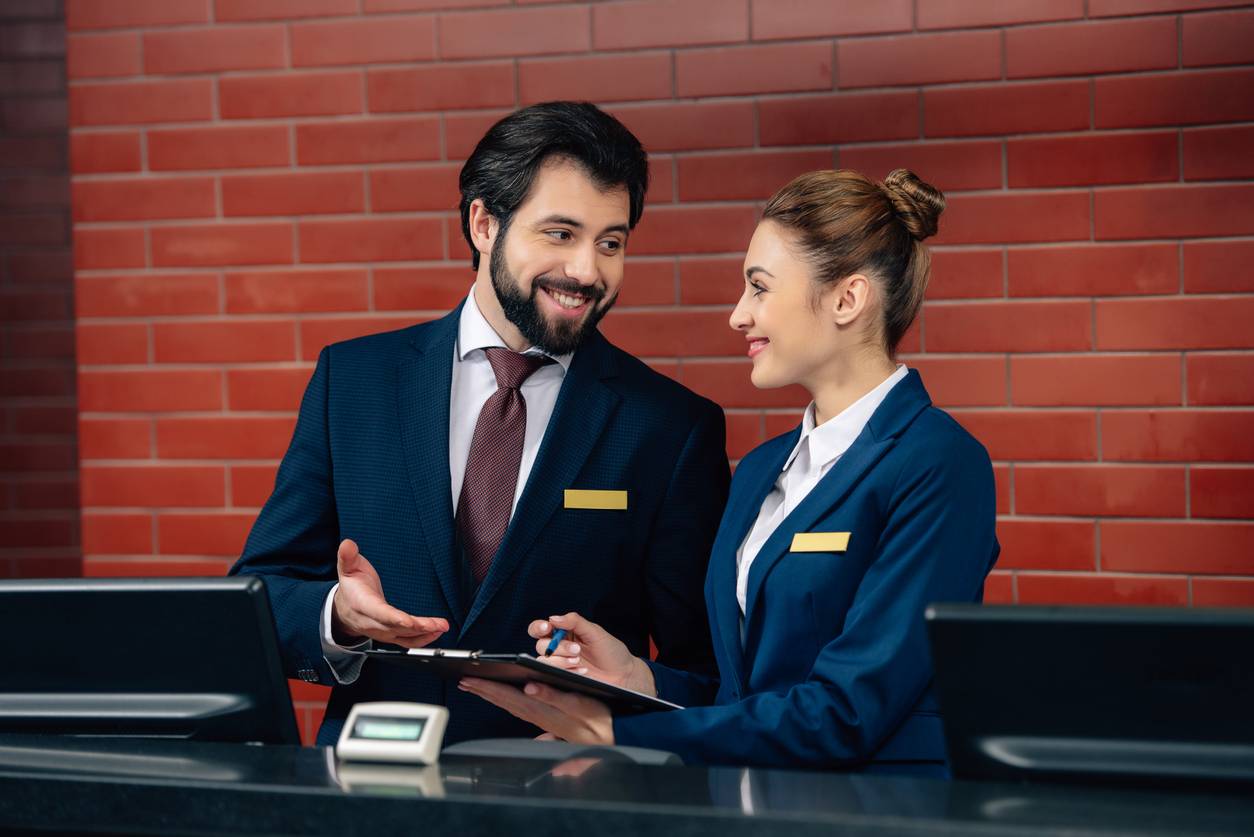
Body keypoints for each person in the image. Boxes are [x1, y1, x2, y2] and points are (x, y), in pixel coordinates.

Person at [460, 168, 1000, 772]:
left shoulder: (938, 463)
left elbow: (848, 713)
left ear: (848, 299)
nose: (738, 316)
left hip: (879, 816)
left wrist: (618, 733)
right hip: (757, 809)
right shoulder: (763, 470)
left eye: (760, 288)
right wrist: (638, 679)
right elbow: (741, 701)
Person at [229, 102, 729, 747]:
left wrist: (628, 717)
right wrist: (338, 617)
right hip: (371, 791)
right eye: (560, 233)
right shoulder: (351, 383)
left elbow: (704, 672)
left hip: (571, 799)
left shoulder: (670, 426)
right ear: (484, 223)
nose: (587, 271)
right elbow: (259, 593)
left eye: (611, 242)